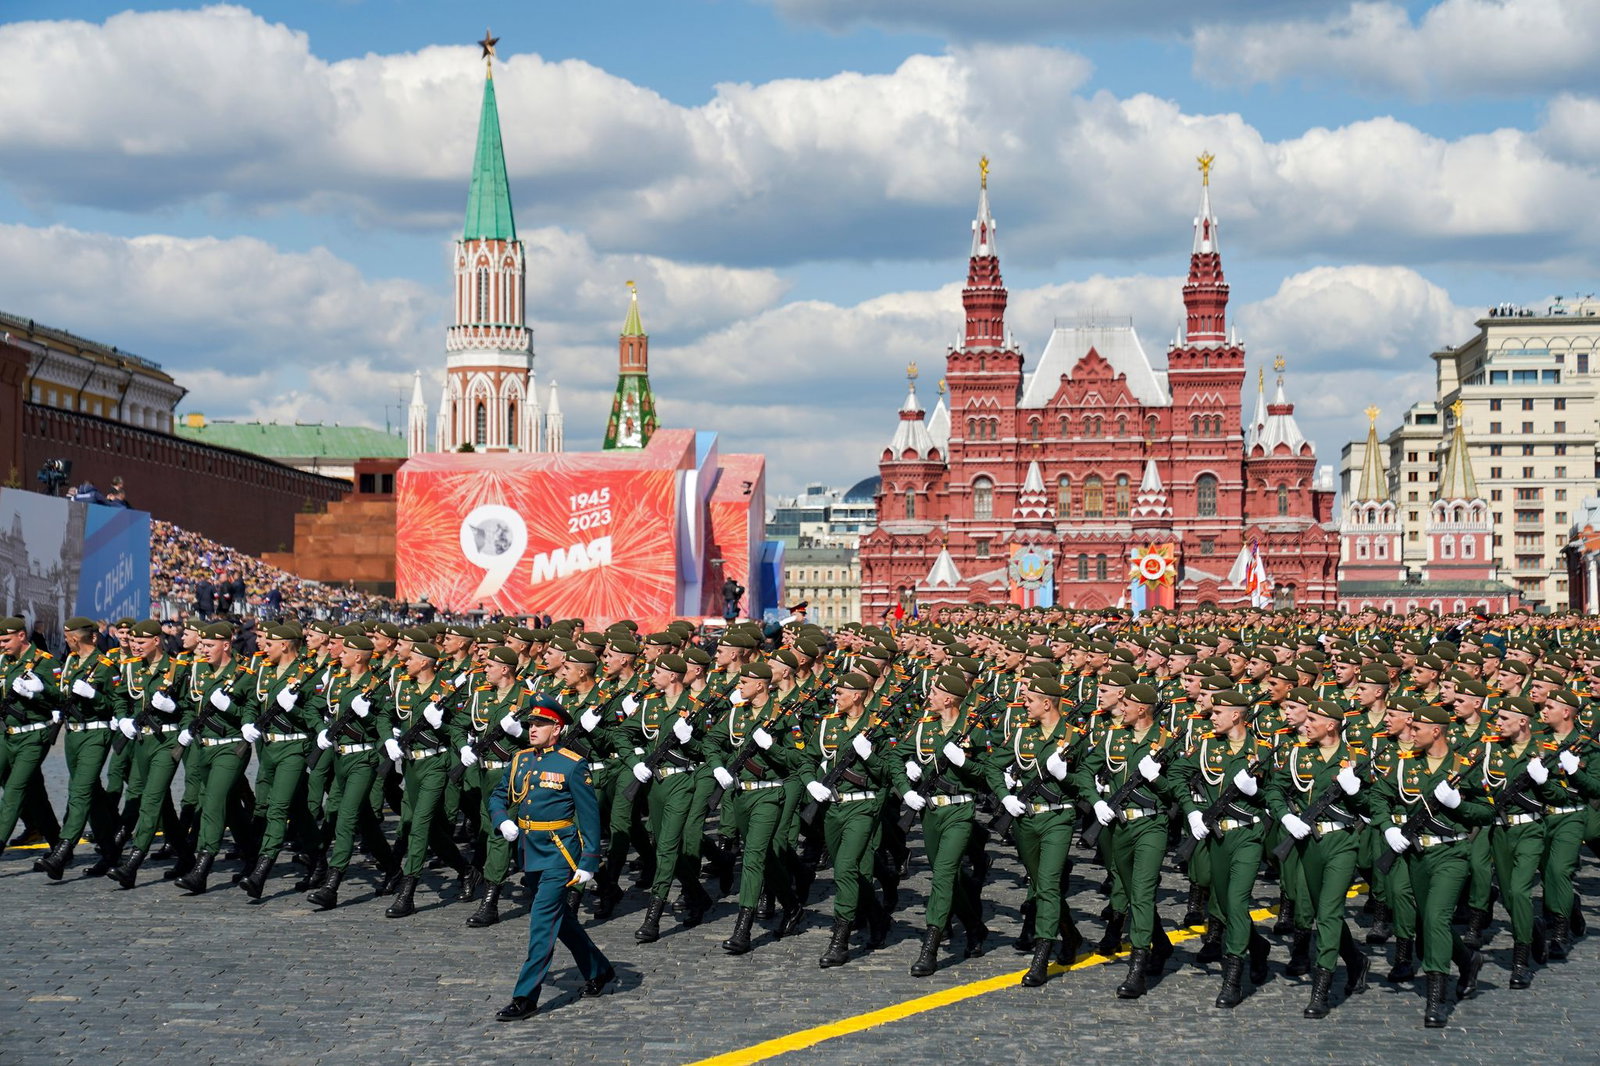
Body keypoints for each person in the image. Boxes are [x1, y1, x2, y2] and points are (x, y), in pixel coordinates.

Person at [489, 697, 615, 1020]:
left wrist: (589, 861)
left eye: (540, 725)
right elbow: (499, 796)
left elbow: (589, 818)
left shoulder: (573, 765)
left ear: (556, 729)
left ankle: (525, 996)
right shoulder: (519, 759)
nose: (532, 729)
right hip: (530, 852)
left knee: (542, 924)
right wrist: (502, 819)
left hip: (561, 853)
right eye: (531, 724)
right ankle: (598, 969)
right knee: (563, 922)